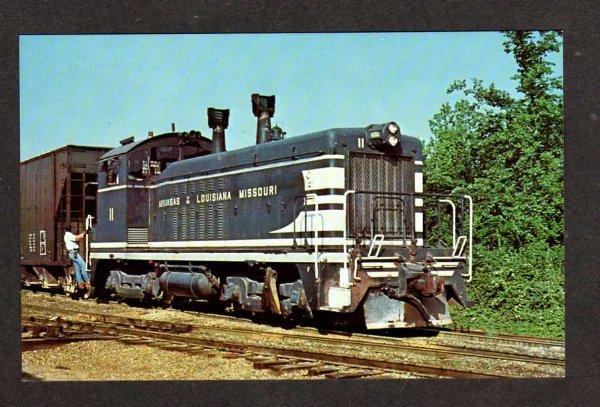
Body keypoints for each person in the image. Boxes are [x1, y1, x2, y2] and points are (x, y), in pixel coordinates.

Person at [63, 225, 90, 291]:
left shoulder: (66, 235)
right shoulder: (69, 235)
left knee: (77, 269)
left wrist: (83, 234)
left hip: (72, 253)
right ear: (70, 229)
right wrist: (84, 232)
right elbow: (77, 238)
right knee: (83, 266)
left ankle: (80, 283)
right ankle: (87, 281)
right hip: (74, 253)